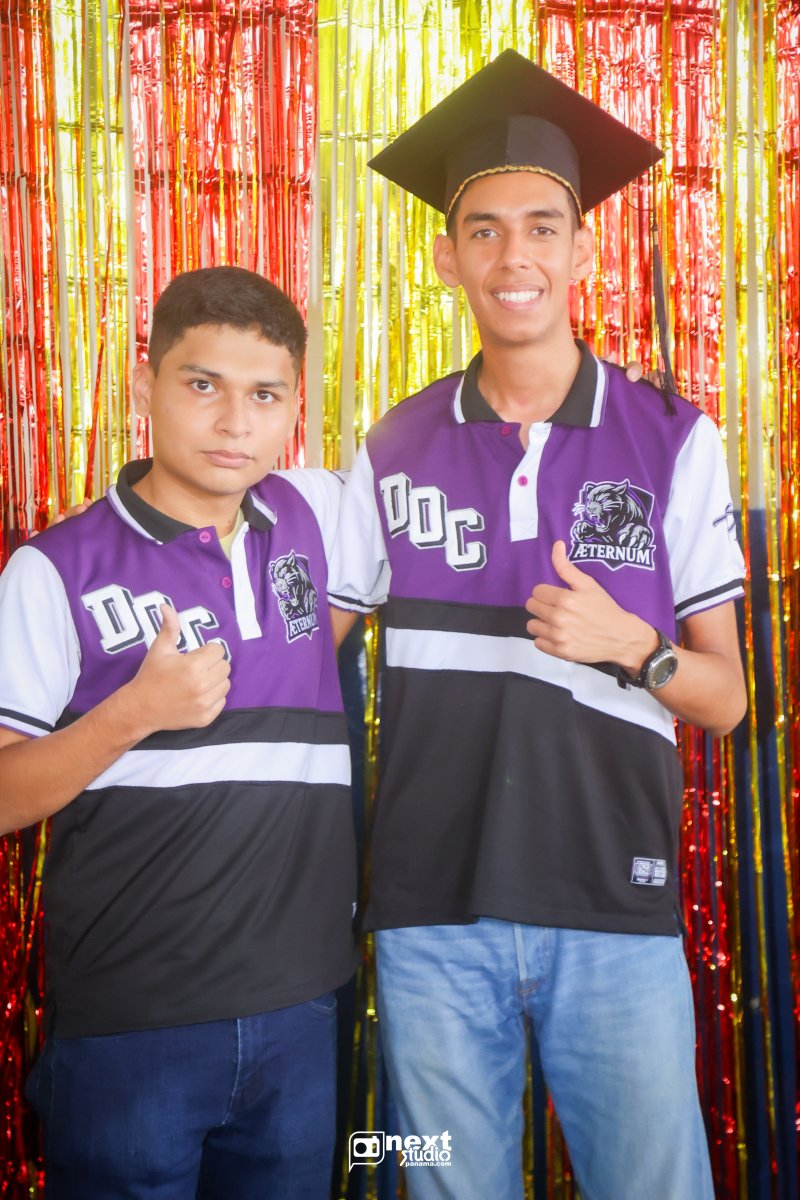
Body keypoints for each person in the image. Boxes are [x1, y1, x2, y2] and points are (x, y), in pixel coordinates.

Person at [327, 51, 747, 1200]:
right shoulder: (390, 445)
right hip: (429, 920)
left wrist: (633, 647)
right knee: (431, 1177)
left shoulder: (674, 439)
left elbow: (725, 699)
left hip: (612, 910)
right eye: (484, 230)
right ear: (448, 255)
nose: (513, 257)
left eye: (541, 228)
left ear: (580, 247)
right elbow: (307, 658)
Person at [0, 266, 357, 1199]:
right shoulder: (54, 569)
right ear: (144, 386)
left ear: (295, 408)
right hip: (132, 1027)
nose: (235, 422)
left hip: (299, 1010)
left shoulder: (319, 517)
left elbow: (476, 446)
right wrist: (132, 713)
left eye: (265, 395)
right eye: (203, 385)